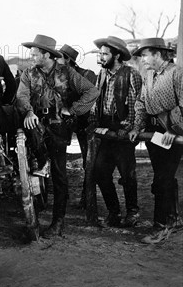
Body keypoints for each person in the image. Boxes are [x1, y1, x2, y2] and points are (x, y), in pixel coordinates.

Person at [16, 34, 99, 238]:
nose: (31, 57)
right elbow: (21, 96)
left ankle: (58, 223)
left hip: (59, 126)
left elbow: (92, 92)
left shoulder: (67, 72)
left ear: (46, 54)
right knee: (33, 137)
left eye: (34, 54)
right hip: (37, 123)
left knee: (59, 175)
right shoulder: (28, 73)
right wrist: (28, 111)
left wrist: (74, 109)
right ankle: (42, 161)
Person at [129, 38, 182, 244]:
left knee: (162, 179)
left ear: (158, 54)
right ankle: (174, 217)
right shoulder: (148, 74)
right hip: (153, 133)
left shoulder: (177, 73)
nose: (142, 59)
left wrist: (175, 129)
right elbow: (141, 103)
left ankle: (161, 226)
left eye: (145, 55)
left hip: (172, 132)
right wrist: (137, 127)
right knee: (163, 175)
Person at [88, 36, 142, 228]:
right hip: (105, 132)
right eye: (100, 53)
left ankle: (132, 213)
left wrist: (129, 129)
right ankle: (114, 212)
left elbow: (137, 104)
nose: (101, 57)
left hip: (123, 132)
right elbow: (96, 100)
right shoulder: (101, 74)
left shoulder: (131, 74)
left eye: (105, 54)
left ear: (116, 55)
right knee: (100, 173)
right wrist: (94, 123)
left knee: (128, 175)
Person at [58, 45, 97, 169]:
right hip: (67, 121)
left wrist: (72, 110)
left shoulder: (87, 75)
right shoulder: (59, 76)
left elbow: (92, 98)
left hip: (86, 123)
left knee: (89, 159)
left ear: (68, 60)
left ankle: (89, 186)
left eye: (59, 58)